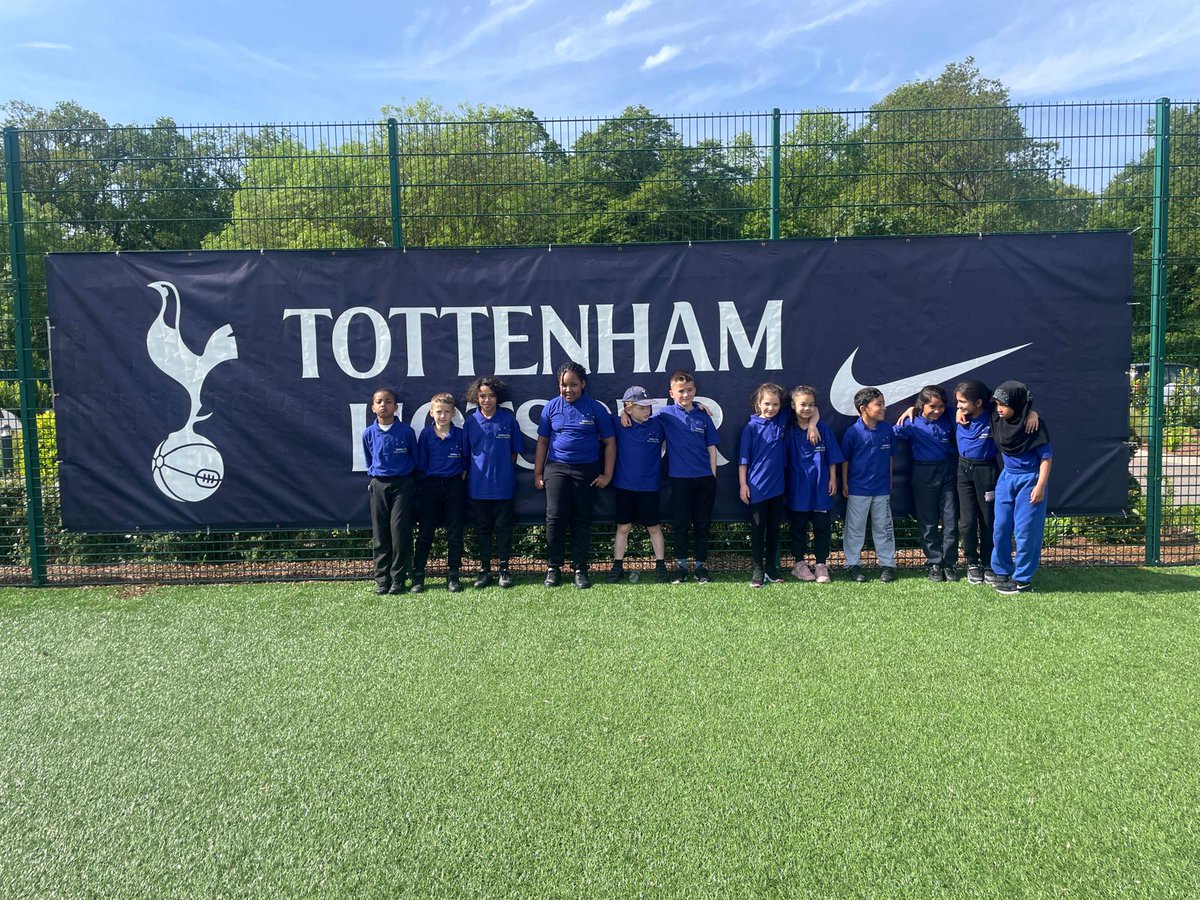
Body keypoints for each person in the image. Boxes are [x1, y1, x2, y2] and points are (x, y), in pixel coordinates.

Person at [534, 361, 616, 589]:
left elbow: (610, 443)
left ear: (583, 385)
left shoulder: (595, 409)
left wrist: (607, 474)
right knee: (555, 518)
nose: (568, 389)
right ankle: (553, 568)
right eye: (564, 385)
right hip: (556, 468)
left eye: (573, 385)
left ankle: (580, 569)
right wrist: (538, 472)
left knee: (581, 520)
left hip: (587, 470)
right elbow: (542, 442)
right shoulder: (551, 407)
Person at [989, 381, 1053, 594]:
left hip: (1030, 480)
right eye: (997, 403)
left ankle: (1023, 579)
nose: (999, 408)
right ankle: (1001, 570)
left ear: (1017, 405)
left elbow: (1046, 457)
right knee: (1001, 527)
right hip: (1006, 479)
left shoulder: (1034, 425)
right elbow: (970, 404)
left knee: (1026, 532)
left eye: (1003, 404)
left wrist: (1040, 485)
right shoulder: (996, 419)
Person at [658, 370, 720, 584]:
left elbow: (712, 447)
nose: (685, 394)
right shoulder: (664, 415)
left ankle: (701, 567)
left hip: (704, 478)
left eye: (690, 390)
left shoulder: (703, 415)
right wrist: (624, 414)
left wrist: (712, 476)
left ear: (695, 391)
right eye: (681, 391)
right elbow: (640, 415)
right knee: (681, 524)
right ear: (671, 393)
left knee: (702, 524)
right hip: (680, 479)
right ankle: (681, 567)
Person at [894, 384, 959, 582]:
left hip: (948, 471)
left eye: (940, 406)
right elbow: (889, 433)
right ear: (922, 406)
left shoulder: (949, 416)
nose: (937, 411)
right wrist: (911, 411)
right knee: (927, 521)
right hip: (922, 472)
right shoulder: (911, 422)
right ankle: (934, 563)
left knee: (950, 520)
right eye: (932, 407)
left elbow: (965, 409)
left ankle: (949, 564)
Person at [606, 386, 670, 584]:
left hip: (650, 488)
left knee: (654, 527)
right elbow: (600, 416)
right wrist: (621, 414)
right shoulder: (618, 424)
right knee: (623, 527)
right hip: (624, 487)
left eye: (648, 407)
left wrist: (699, 405)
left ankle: (660, 566)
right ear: (629, 407)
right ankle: (617, 565)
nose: (646, 411)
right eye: (641, 408)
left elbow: (680, 411)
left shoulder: (658, 425)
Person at [463, 376, 522, 589]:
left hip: (503, 486)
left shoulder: (508, 420)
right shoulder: (471, 422)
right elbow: (466, 454)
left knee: (504, 528)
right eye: (482, 396)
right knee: (483, 529)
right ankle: (484, 570)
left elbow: (514, 453)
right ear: (476, 398)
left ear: (498, 397)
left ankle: (504, 570)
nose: (487, 400)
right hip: (479, 488)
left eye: (491, 396)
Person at [785, 385, 844, 584]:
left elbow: (832, 456)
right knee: (798, 528)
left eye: (811, 405)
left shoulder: (823, 428)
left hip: (820, 488)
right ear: (793, 405)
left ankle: (820, 564)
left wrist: (833, 478)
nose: (807, 408)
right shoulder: (789, 429)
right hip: (798, 488)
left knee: (822, 528)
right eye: (803, 404)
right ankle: (799, 564)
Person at [362, 387, 417, 595]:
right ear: (373, 407)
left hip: (403, 485)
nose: (383, 405)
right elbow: (369, 459)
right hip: (378, 485)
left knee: (399, 533)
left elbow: (415, 459)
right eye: (379, 401)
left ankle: (398, 579)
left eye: (388, 401)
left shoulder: (406, 432)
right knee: (380, 534)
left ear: (396, 407)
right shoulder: (368, 433)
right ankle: (382, 580)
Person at [840, 386, 897, 583]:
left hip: (882, 489)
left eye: (883, 403)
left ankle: (888, 565)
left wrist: (889, 480)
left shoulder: (887, 428)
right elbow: (845, 460)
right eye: (878, 404)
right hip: (858, 489)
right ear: (864, 409)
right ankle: (853, 564)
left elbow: (890, 457)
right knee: (855, 528)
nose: (884, 408)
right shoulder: (852, 432)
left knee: (883, 527)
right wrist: (846, 483)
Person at [412, 392, 467, 594]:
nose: (442, 416)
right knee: (426, 532)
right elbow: (421, 464)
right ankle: (418, 576)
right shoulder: (426, 435)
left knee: (454, 533)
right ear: (431, 413)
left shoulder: (461, 434)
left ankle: (453, 575)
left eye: (446, 412)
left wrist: (456, 481)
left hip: (454, 487)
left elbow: (465, 464)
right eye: (438, 412)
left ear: (453, 413)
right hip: (430, 487)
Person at [739, 383, 787, 587]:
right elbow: (743, 459)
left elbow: (814, 409)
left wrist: (812, 425)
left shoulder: (783, 420)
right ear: (759, 403)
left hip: (778, 487)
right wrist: (743, 485)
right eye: (767, 403)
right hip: (756, 487)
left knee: (775, 528)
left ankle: (771, 568)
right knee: (758, 529)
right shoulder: (750, 427)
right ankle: (758, 569)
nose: (771, 408)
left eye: (775, 404)